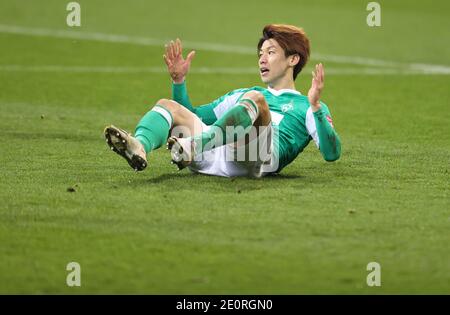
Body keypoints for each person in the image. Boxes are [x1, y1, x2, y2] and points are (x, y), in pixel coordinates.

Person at [104, 24, 341, 177]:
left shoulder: (307, 106)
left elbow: (332, 154)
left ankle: (194, 146)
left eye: (271, 53)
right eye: (260, 54)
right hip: (214, 154)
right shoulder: (242, 95)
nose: (262, 60)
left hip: (254, 160)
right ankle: (140, 147)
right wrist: (179, 82)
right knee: (168, 106)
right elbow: (192, 114)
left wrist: (316, 107)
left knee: (256, 100)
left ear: (293, 60)